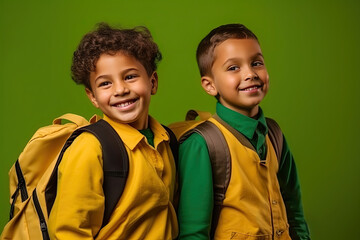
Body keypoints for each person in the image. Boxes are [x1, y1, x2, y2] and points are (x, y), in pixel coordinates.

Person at [177, 24, 310, 239]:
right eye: (233, 68)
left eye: (256, 63)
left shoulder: (273, 133)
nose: (250, 73)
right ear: (210, 85)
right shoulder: (202, 143)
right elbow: (194, 232)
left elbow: (294, 211)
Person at [48, 23, 178, 239]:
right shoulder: (90, 147)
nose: (120, 90)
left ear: (152, 82)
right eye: (105, 83)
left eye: (130, 77)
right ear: (92, 97)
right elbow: (69, 232)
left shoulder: (167, 140)